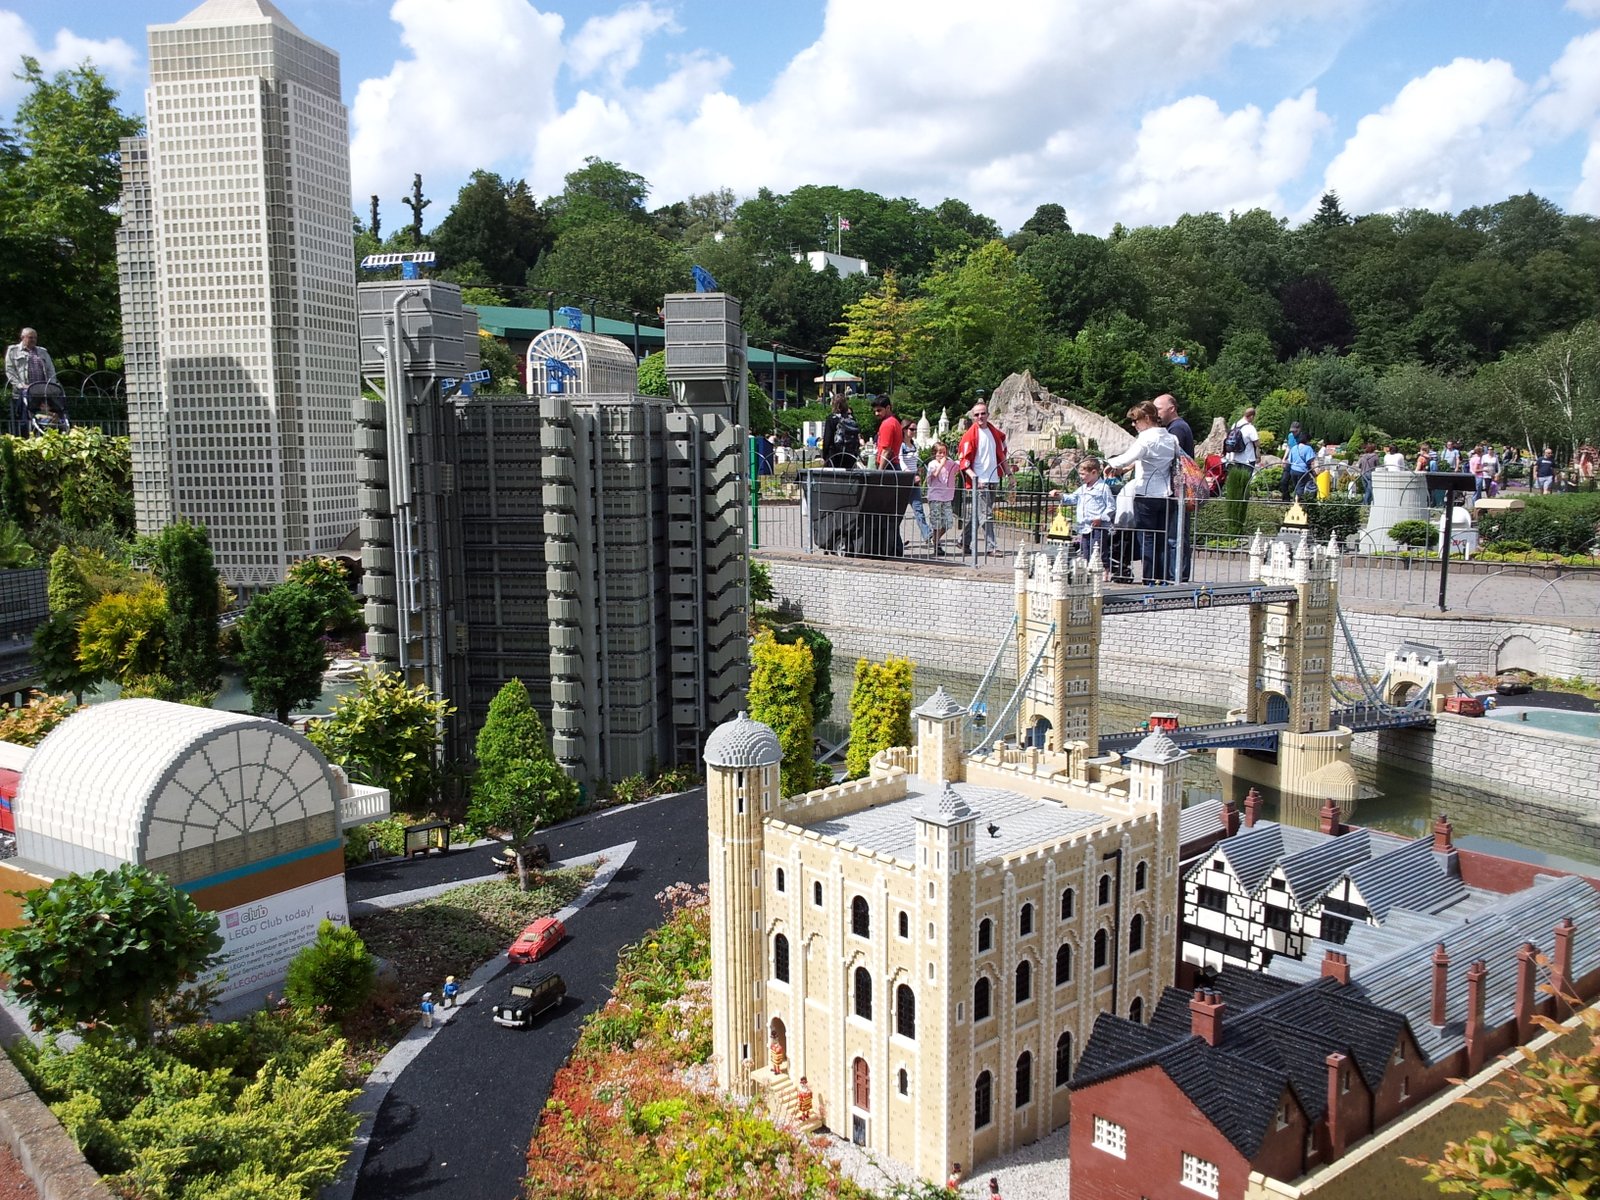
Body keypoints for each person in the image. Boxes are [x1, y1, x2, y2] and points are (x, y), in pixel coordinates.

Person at [1105, 401, 1179, 584]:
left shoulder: (1146, 438)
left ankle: (1150, 580)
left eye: (1135, 420)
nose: (1133, 424)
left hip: (1146, 495)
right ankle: (1163, 579)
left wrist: (1107, 464)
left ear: (1146, 418)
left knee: (1147, 538)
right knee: (1161, 538)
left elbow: (1127, 457)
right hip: (1166, 494)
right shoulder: (1171, 438)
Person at [957, 396, 1010, 555]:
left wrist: (1009, 474)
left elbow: (1001, 457)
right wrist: (975, 478)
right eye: (977, 414)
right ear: (973, 417)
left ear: (988, 414)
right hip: (980, 481)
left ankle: (964, 540)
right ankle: (991, 547)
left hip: (993, 478)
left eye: (983, 413)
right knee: (986, 514)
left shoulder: (995, 434)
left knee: (978, 514)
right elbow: (963, 461)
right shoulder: (970, 436)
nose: (980, 417)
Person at [1055, 456, 1115, 566]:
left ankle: (1104, 572)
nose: (1081, 477)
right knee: (1085, 552)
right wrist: (1059, 496)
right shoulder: (1083, 488)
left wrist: (1100, 518)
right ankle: (1087, 571)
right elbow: (1072, 498)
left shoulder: (1103, 488)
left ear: (1094, 472)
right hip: (1084, 526)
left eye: (1083, 474)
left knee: (1098, 551)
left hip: (1097, 526)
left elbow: (1111, 506)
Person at [5, 327, 57, 438]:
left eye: (35, 338)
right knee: (25, 419)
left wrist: (50, 385)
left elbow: (51, 370)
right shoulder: (13, 351)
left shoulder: (42, 351)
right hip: (23, 392)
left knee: (45, 417)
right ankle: (26, 440)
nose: (33, 340)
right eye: (30, 337)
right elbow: (10, 371)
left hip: (42, 392)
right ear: (22, 337)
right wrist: (21, 385)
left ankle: (46, 438)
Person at [898, 428, 933, 544]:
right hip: (904, 480)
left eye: (915, 429)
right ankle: (896, 539)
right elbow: (901, 461)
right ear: (904, 429)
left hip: (914, 480)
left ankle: (927, 535)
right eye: (911, 429)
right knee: (899, 513)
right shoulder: (901, 445)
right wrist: (909, 474)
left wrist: (917, 472)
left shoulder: (914, 444)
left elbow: (916, 461)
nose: (913, 431)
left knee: (919, 509)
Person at [924, 440, 958, 556]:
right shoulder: (932, 464)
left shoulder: (950, 463)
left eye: (944, 452)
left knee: (948, 522)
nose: (943, 455)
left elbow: (958, 466)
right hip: (935, 496)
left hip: (947, 496)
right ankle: (936, 545)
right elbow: (934, 475)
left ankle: (935, 540)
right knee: (936, 523)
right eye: (940, 452)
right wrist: (941, 464)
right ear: (935, 453)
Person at [821, 395, 860, 468]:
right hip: (850, 456)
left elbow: (827, 439)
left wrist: (824, 455)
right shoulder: (851, 418)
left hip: (834, 455)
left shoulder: (831, 418)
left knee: (834, 478)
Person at [870, 396, 903, 469]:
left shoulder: (887, 424)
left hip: (888, 465)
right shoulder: (895, 422)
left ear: (888, 408)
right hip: (894, 464)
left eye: (879, 410)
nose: (876, 413)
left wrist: (880, 472)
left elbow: (886, 451)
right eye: (875, 411)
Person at [1285, 436, 1317, 500]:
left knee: (1297, 486)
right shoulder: (1308, 448)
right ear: (1306, 441)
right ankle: (1298, 503)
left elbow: (1289, 460)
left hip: (1293, 470)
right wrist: (1313, 470)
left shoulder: (1294, 448)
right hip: (1302, 471)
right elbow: (1310, 461)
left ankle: (1296, 500)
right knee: (1302, 486)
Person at [1279, 421, 1304, 500]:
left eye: (1295, 431)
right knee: (1283, 481)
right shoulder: (1290, 436)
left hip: (1298, 463)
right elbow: (1289, 447)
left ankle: (1298, 500)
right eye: (1292, 431)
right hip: (1290, 461)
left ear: (1299, 429)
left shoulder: (1303, 437)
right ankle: (1286, 499)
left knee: (1297, 483)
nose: (1293, 433)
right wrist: (1284, 458)